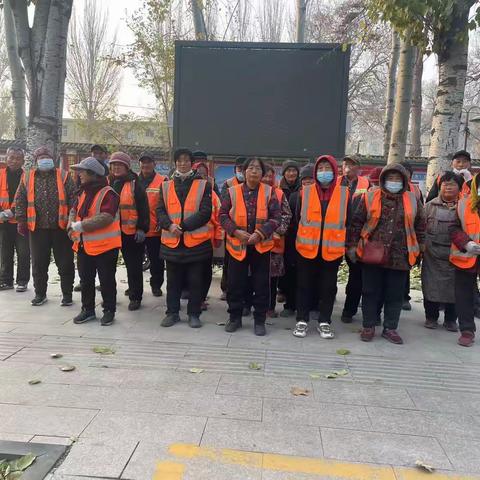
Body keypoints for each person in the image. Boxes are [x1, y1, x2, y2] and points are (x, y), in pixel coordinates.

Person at [348, 163, 426, 345]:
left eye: (397, 179)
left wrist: (421, 248)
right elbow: (356, 222)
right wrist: (352, 246)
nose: (394, 182)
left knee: (394, 294)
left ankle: (390, 328)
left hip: (401, 255)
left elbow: (421, 225)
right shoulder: (370, 196)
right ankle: (368, 325)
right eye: (390, 178)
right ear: (383, 179)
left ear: (404, 181)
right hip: (371, 253)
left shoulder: (412, 199)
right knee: (369, 291)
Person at [220, 157, 281, 336]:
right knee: (235, 284)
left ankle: (259, 320)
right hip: (237, 246)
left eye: (258, 169)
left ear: (263, 173)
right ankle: (235, 318)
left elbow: (276, 217)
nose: (254, 171)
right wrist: (235, 231)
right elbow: (222, 215)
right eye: (251, 168)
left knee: (261, 285)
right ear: (244, 171)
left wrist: (260, 233)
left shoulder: (270, 192)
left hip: (261, 247)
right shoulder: (232, 192)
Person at [293, 155, 350, 339]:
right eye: (321, 168)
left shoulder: (344, 193)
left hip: (331, 250)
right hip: (307, 248)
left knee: (328, 287)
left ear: (335, 171)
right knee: (304, 285)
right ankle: (301, 320)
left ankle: (324, 321)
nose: (324, 172)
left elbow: (348, 221)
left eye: (327, 168)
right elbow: (297, 218)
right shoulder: (305, 191)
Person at [157, 148, 212, 328]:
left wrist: (183, 226)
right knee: (173, 281)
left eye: (186, 160)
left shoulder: (203, 184)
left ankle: (193, 314)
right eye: (179, 160)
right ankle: (172, 313)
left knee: (196, 281)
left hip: (195, 242)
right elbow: (159, 211)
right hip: (172, 242)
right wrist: (170, 225)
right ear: (175, 163)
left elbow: (205, 212)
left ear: (191, 162)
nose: (182, 163)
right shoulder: (165, 185)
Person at [15, 146, 76, 306]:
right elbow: (20, 199)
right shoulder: (27, 177)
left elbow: (73, 199)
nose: (44, 159)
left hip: (61, 228)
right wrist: (21, 220)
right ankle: (40, 294)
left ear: (53, 159)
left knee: (65, 263)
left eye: (47, 156)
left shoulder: (64, 176)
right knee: (38, 263)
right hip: (37, 228)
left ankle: (67, 295)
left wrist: (72, 221)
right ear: (36, 161)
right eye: (40, 157)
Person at [69, 157, 121, 326]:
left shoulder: (108, 193)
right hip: (84, 245)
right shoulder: (82, 191)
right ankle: (88, 309)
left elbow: (106, 217)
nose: (79, 175)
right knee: (86, 280)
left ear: (93, 173)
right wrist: (71, 227)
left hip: (105, 247)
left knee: (106, 281)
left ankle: (109, 310)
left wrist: (80, 226)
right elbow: (74, 210)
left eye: (82, 171)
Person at [109, 151, 149, 311]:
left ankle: (135, 296)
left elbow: (144, 208)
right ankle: (109, 295)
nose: (116, 167)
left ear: (126, 167)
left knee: (133, 267)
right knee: (108, 267)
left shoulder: (134, 183)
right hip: (111, 232)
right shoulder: (108, 182)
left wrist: (141, 228)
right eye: (113, 165)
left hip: (131, 233)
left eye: (119, 165)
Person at [422, 172, 461, 331]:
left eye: (453, 184)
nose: (449, 187)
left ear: (459, 188)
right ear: (439, 187)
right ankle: (431, 317)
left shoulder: (465, 207)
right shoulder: (429, 206)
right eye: (445, 184)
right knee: (430, 286)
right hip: (432, 255)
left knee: (455, 288)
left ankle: (451, 319)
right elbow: (420, 228)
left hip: (456, 255)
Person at [449, 172, 480, 347]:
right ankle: (467, 330)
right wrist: (466, 243)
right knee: (464, 296)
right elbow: (453, 228)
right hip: (466, 256)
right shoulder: (464, 204)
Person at [281, 163, 314, 318]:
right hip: (294, 242)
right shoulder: (294, 197)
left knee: (312, 277)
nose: (307, 183)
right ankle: (290, 305)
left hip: (315, 243)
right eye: (305, 180)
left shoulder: (322, 198)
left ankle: (312, 306)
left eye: (310, 180)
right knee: (292, 275)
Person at [340, 156, 370, 324]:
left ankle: (349, 310)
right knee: (327, 275)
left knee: (356, 276)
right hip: (334, 235)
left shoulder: (366, 185)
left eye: (352, 164)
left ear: (359, 167)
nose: (348, 167)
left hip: (355, 237)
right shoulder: (335, 182)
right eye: (346, 164)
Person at [262, 164, 292, 317]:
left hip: (274, 243)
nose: (267, 179)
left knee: (272, 279)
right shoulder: (251, 192)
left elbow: (287, 215)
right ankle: (248, 304)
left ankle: (270, 307)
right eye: (265, 175)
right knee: (251, 277)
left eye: (270, 176)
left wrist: (277, 230)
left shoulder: (279, 194)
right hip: (254, 242)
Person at [193, 160, 223, 310]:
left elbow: (219, 217)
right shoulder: (184, 192)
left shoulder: (212, 195)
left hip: (206, 242)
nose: (201, 177)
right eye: (198, 174)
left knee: (204, 272)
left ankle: (201, 299)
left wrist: (218, 237)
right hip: (186, 242)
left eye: (204, 175)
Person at [0, 148, 30, 292]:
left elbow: (28, 199)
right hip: (3, 222)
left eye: (18, 158)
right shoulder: (0, 174)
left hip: (21, 221)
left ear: (23, 161)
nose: (14, 160)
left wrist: (12, 212)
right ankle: (6, 281)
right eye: (11, 157)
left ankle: (22, 281)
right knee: (5, 253)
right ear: (6, 158)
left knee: (23, 252)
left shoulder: (28, 177)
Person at [138, 153, 167, 297]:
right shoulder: (133, 180)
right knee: (135, 261)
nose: (145, 165)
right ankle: (134, 286)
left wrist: (163, 223)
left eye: (148, 162)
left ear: (154, 164)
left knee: (157, 261)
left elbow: (167, 205)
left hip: (155, 229)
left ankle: (156, 285)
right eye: (143, 162)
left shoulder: (163, 181)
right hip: (136, 229)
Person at [220, 157, 246, 300]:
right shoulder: (228, 184)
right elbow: (224, 207)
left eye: (243, 168)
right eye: (239, 169)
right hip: (232, 229)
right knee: (229, 260)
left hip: (249, 231)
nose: (241, 171)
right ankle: (226, 288)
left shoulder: (255, 184)